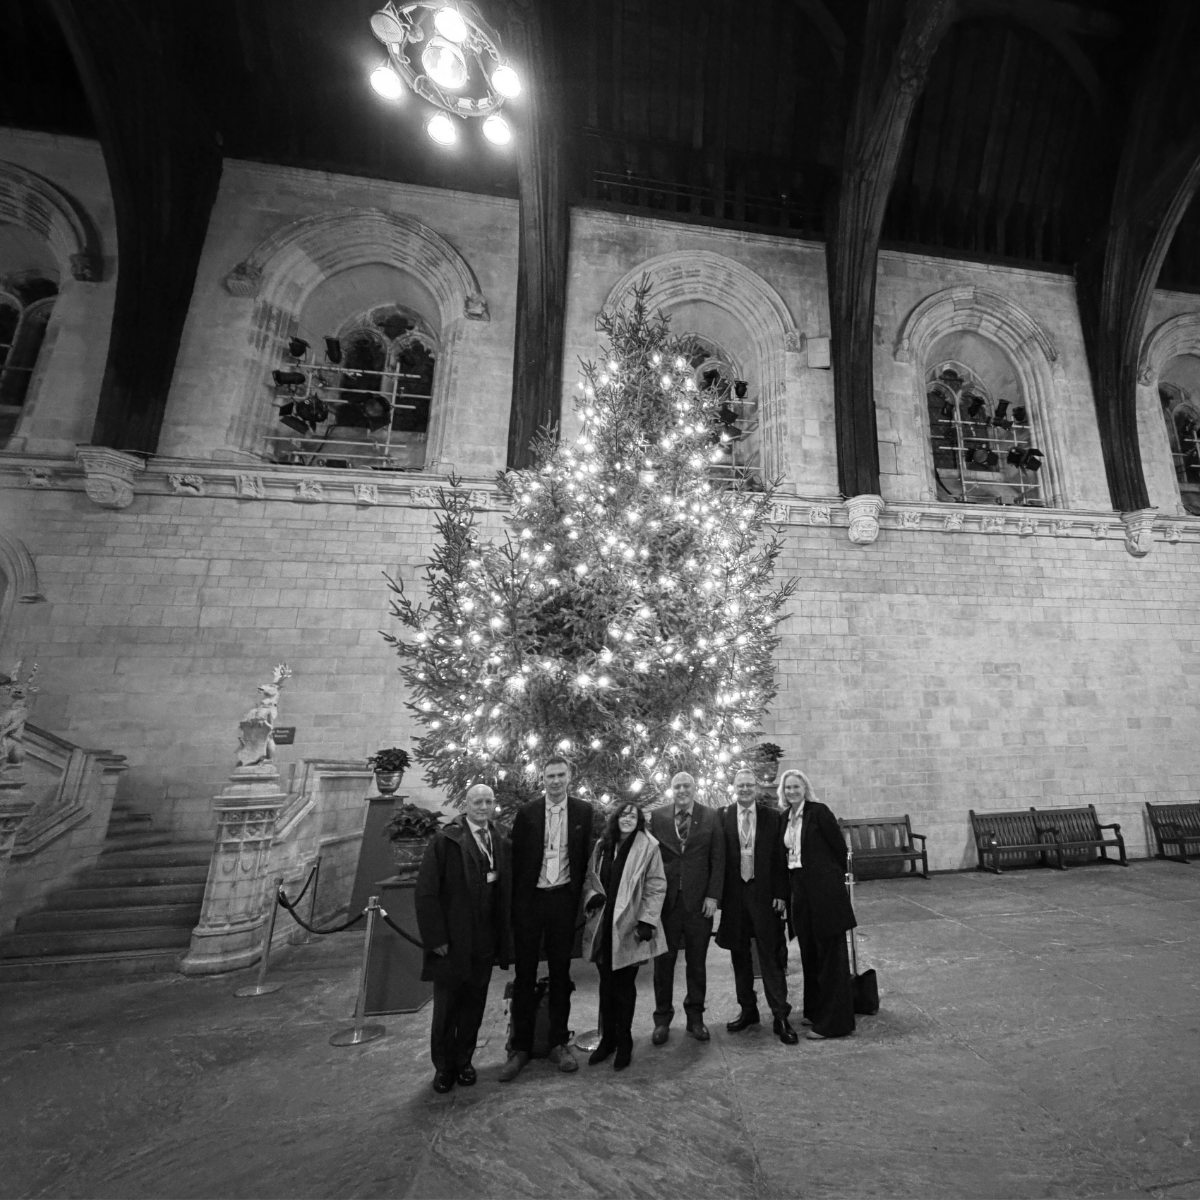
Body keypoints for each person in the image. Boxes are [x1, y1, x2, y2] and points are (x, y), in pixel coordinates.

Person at [500, 756, 596, 1081]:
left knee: (560, 974)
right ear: (543, 779)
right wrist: (517, 904)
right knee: (524, 975)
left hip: (562, 903)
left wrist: (578, 901)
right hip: (531, 903)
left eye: (561, 775)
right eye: (550, 776)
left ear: (570, 777)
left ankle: (558, 1042)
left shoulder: (583, 812)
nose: (555, 781)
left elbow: (584, 858)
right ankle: (521, 1046)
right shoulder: (527, 813)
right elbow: (516, 860)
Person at [414, 782, 513, 1094]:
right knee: (447, 1006)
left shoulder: (500, 837)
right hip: (453, 939)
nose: (482, 807)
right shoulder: (447, 840)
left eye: (487, 801)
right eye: (477, 802)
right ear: (466, 804)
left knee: (474, 1002)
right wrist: (436, 938)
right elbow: (426, 892)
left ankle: (465, 1060)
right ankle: (443, 1067)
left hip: (485, 939)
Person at [582, 802, 667, 1070]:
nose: (628, 819)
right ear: (616, 818)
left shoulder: (648, 846)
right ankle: (608, 1040)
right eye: (623, 814)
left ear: (639, 820)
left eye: (633, 815)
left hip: (630, 926)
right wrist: (591, 898)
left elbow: (656, 884)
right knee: (606, 985)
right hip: (603, 926)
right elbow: (590, 878)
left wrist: (647, 920)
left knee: (624, 986)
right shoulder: (602, 845)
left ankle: (625, 1040)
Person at [715, 768, 797, 1044]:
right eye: (741, 785)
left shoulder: (772, 817)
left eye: (750, 784)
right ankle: (747, 1010)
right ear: (734, 788)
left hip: (765, 896)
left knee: (770, 956)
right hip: (735, 897)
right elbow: (718, 859)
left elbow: (780, 859)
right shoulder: (723, 816)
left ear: (757, 788)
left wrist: (781, 894)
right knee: (739, 958)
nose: (745, 789)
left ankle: (780, 1015)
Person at [779, 768, 857, 1040]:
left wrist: (826, 880)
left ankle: (835, 1023)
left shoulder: (819, 812)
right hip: (800, 894)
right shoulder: (784, 818)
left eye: (796, 787)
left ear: (805, 788)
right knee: (810, 955)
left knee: (831, 959)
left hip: (825, 895)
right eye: (787, 788)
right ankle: (816, 1011)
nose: (791, 792)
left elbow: (839, 848)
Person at [648, 771, 724, 1043]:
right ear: (671, 790)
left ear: (694, 788)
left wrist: (713, 896)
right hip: (666, 903)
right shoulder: (658, 818)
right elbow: (651, 859)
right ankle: (662, 1019)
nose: (682, 790)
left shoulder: (711, 816)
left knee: (697, 963)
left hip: (699, 903)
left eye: (686, 786)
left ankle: (696, 1018)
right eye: (677, 786)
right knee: (663, 963)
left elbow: (718, 858)